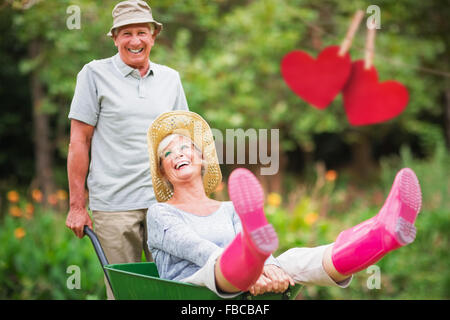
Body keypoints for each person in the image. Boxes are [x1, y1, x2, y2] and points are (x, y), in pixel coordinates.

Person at [146, 111, 422, 298]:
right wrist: (255, 271)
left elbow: (265, 256)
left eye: (186, 148)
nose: (178, 154)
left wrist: (273, 266)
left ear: (202, 158)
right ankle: (251, 257)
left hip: (243, 280)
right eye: (168, 153)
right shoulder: (161, 213)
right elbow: (196, 249)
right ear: (162, 171)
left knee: (296, 259)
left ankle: (380, 233)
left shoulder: (230, 209)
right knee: (215, 266)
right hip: (193, 287)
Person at [66, 0, 189, 299]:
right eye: (126, 33)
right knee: (126, 294)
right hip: (115, 206)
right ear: (115, 38)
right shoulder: (94, 75)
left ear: (153, 36)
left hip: (165, 205)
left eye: (142, 32)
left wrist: (191, 197)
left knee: (175, 288)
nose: (135, 41)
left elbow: (182, 140)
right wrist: (77, 206)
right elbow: (78, 142)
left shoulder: (170, 79)